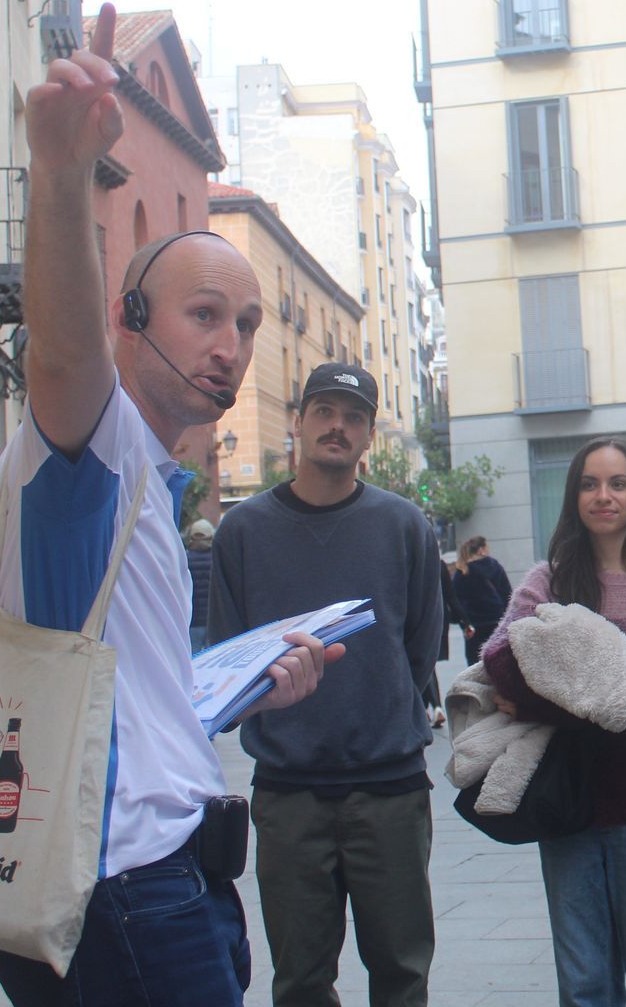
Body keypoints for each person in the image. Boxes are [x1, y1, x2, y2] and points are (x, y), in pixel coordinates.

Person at [0, 5, 337, 1006]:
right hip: (126, 890)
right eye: (205, 314)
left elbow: (122, 687)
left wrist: (242, 685)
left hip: (157, 876)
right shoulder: (90, 442)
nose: (233, 344)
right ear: (129, 325)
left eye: (249, 322)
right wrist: (60, 171)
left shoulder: (145, 474)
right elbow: (58, 349)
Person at [208, 361, 446, 1007]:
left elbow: (420, 649)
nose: (337, 427)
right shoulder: (243, 532)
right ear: (298, 421)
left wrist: (377, 702)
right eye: (324, 412)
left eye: (353, 417)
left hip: (390, 790)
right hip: (289, 795)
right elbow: (229, 663)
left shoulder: (404, 527)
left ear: (369, 436)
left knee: (402, 976)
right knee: (301, 983)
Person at [483, 438, 626, 1006]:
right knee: (583, 986)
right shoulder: (548, 580)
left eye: (618, 483)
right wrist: (599, 687)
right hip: (566, 800)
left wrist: (542, 698)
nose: (603, 496)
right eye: (590, 483)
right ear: (573, 495)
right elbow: (499, 662)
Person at [453, 534, 512, 665]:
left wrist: (465, 624)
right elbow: (507, 594)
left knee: (476, 666)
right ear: (481, 550)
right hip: (497, 622)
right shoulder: (495, 566)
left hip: (473, 626)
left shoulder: (462, 570)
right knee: (499, 662)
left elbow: (456, 601)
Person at [184, 517, 216, 652]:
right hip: (213, 621)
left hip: (193, 621)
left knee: (194, 661)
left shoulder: (185, 559)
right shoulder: (217, 558)